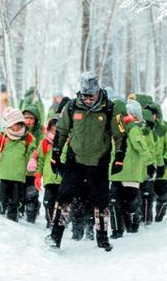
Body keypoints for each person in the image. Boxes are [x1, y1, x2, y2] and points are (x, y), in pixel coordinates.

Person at [47, 72, 126, 252]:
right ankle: (55, 236)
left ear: (98, 92)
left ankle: (102, 239)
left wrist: (119, 158)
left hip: (99, 161)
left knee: (101, 200)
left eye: (91, 96)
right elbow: (61, 130)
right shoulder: (72, 107)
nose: (88, 99)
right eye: (85, 96)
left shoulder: (110, 108)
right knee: (64, 197)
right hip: (75, 159)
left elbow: (120, 135)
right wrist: (55, 154)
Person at [0, 107, 35, 221]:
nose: (15, 127)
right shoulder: (2, 136)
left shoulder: (28, 138)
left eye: (18, 124)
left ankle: (12, 218)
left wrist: (32, 160)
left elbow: (32, 150)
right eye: (12, 125)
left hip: (18, 174)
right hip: (3, 172)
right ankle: (1, 207)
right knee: (0, 194)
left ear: (21, 124)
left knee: (15, 198)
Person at [109, 99, 149, 238]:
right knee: (114, 203)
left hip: (131, 172)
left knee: (130, 203)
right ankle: (116, 231)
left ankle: (133, 220)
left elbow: (142, 147)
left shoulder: (133, 129)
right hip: (115, 172)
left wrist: (150, 164)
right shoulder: (114, 128)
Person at [147, 101, 167, 222]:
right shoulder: (144, 127)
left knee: (161, 192)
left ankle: (160, 213)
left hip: (161, 166)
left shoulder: (164, 128)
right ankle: (146, 218)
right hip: (147, 166)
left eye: (152, 114)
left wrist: (165, 159)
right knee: (146, 193)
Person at [35, 116, 62, 227]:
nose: (54, 133)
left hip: (62, 178)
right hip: (49, 178)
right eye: (52, 130)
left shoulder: (65, 143)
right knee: (48, 201)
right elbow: (40, 160)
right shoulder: (45, 143)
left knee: (60, 202)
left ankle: (59, 221)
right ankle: (50, 221)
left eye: (57, 130)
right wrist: (38, 176)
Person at [21, 103, 43, 223]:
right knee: (19, 193)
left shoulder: (39, 134)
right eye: (26, 118)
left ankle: (31, 215)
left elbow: (41, 148)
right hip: (20, 168)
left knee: (31, 194)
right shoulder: (18, 130)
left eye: (31, 118)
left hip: (32, 170)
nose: (28, 121)